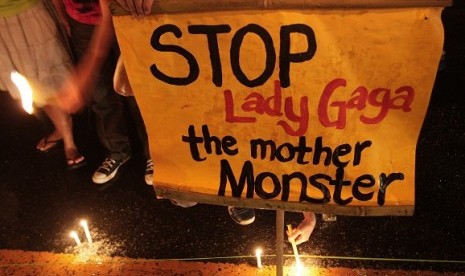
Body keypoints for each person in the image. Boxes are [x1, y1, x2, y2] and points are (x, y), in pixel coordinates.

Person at [110, 0, 318, 244]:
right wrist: (138, 22)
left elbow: (294, 124)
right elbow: (123, 85)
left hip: (248, 126)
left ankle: (235, 194)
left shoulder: (272, 28)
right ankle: (231, 195)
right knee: (192, 192)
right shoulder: (190, 24)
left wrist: (309, 212)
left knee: (255, 149)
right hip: (207, 133)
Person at [53, 0, 154, 185]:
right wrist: (62, 14)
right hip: (81, 21)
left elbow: (107, 12)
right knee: (100, 95)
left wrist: (86, 71)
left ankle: (154, 154)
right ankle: (117, 150)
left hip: (125, 13)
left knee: (136, 89)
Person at [0, 0, 85, 170]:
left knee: (51, 76)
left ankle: (69, 140)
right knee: (32, 82)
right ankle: (61, 130)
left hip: (30, 11)